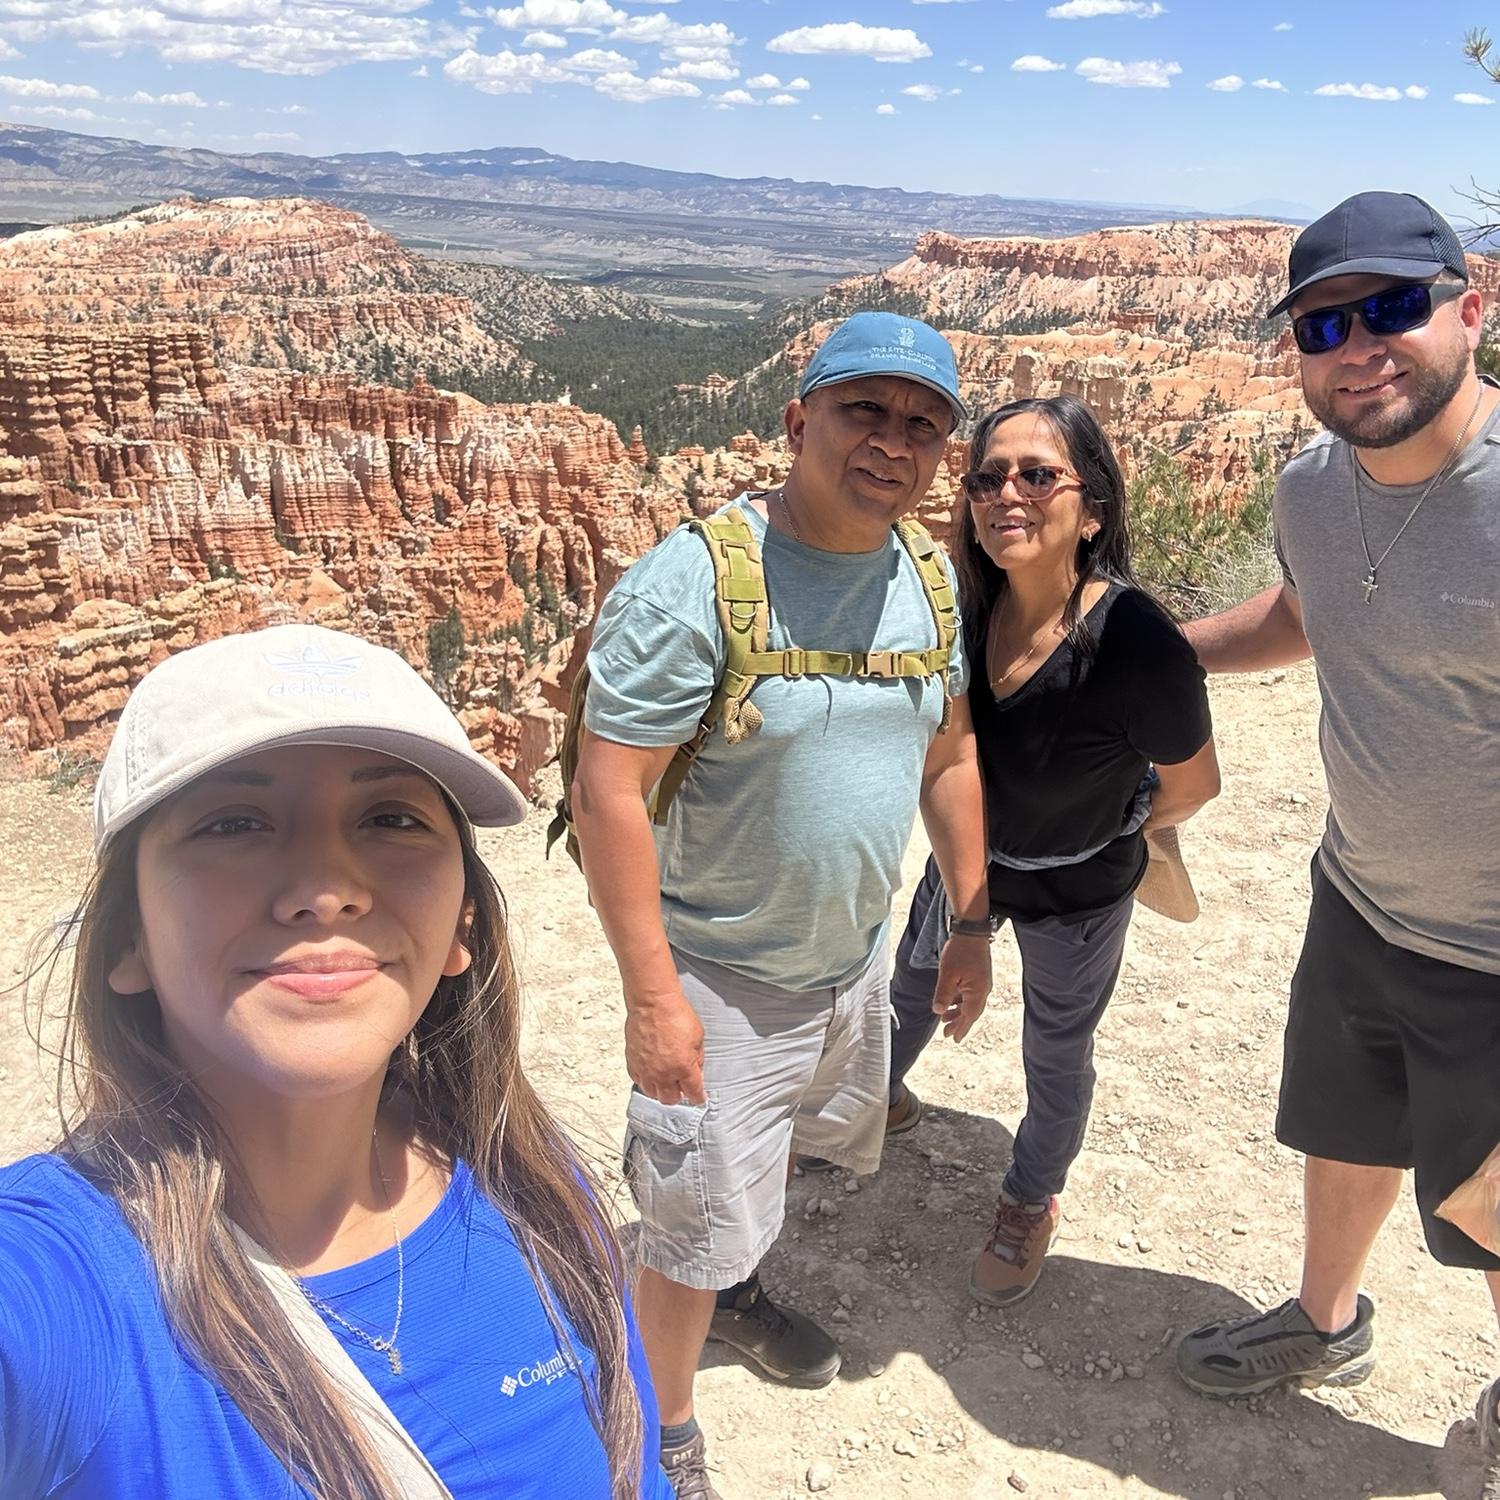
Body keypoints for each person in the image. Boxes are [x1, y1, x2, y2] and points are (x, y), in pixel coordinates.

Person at [0, 623, 674, 1500]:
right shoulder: (59, 1281)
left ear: (462, 924)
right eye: (234, 823)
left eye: (391, 819)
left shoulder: (540, 1198)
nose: (326, 890)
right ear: (128, 937)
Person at [571, 312, 992, 1498]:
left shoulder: (927, 577)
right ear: (799, 420)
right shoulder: (698, 582)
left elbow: (950, 753)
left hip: (852, 963)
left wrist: (970, 920)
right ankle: (662, 1433)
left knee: (779, 1163)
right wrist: (653, 999)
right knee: (684, 1231)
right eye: (866, 411)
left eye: (923, 424)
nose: (893, 441)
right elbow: (608, 790)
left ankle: (736, 1285)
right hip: (719, 978)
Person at [1171, 192, 1500, 1497]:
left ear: (1470, 305)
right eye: (1323, 326)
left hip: (1493, 958)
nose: (1359, 348)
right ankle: (1325, 1322)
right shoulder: (1312, 488)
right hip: (1361, 896)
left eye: (1391, 310)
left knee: (1493, 1216)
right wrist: (1154, 651)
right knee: (1346, 1127)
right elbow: (1310, 616)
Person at [875, 394, 1220, 1307]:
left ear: (1092, 509)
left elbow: (1193, 784)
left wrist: (1120, 823)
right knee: (911, 988)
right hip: (968, 866)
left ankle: (1031, 1197)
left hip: (1079, 893)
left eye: (1037, 475)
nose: (1007, 495)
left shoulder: (1134, 642)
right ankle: (874, 1098)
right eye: (987, 478)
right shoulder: (963, 604)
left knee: (1056, 1048)